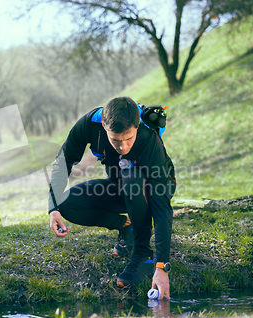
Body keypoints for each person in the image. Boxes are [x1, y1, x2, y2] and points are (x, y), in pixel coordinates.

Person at [47, 96, 176, 299]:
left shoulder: (148, 139)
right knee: (66, 203)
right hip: (121, 187)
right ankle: (127, 226)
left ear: (137, 125)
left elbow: (161, 206)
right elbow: (63, 162)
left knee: (133, 179)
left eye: (128, 139)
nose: (123, 147)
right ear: (104, 127)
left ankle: (143, 253)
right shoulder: (89, 124)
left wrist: (162, 266)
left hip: (153, 189)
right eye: (115, 140)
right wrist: (53, 206)